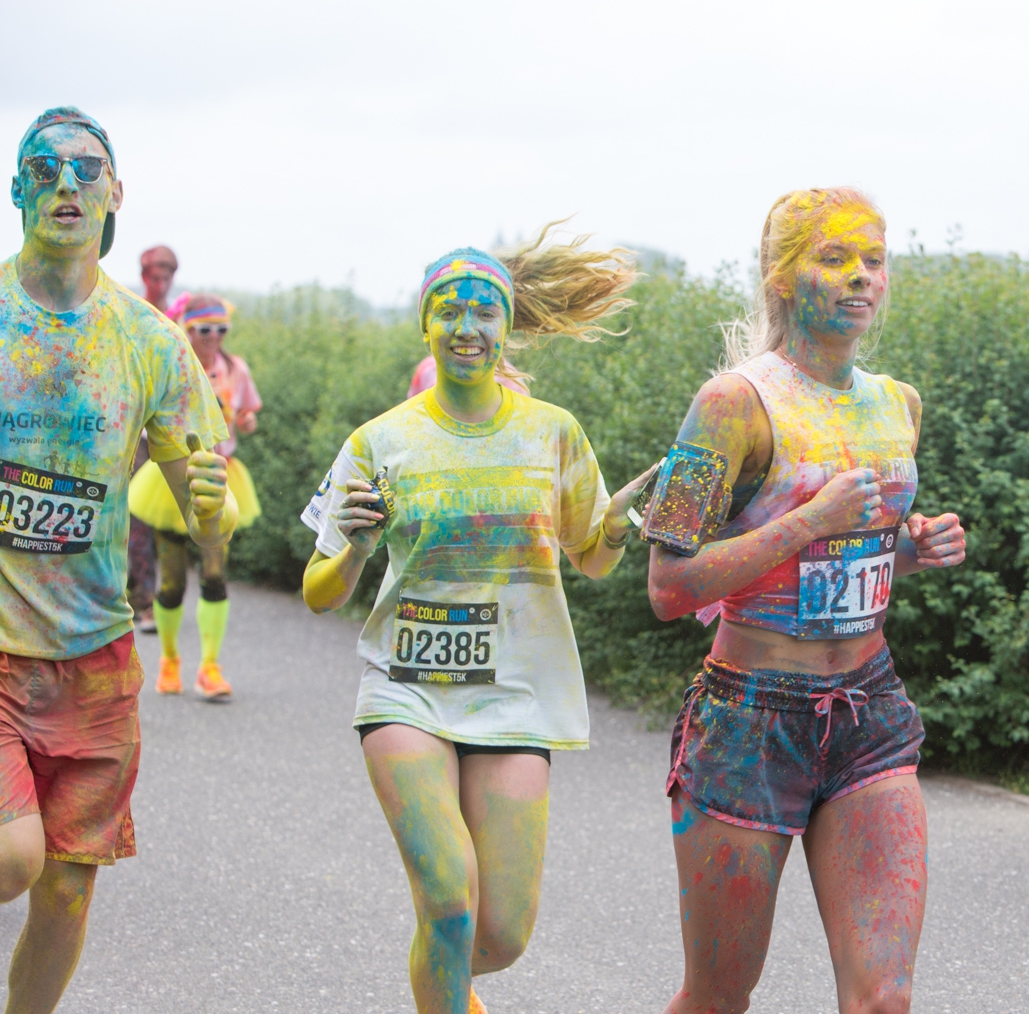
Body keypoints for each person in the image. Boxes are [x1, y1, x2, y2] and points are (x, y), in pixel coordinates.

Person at [300, 238, 653, 1014]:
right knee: (449, 901)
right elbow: (318, 592)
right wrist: (355, 549)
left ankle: (448, 986)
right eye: (449, 311)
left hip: (514, 695)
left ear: (507, 326)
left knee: (499, 934)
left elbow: (593, 559)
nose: (467, 326)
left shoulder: (552, 432)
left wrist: (616, 526)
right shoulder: (377, 441)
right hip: (406, 691)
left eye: (485, 311)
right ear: (424, 324)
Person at [647, 188, 967, 1014]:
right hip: (748, 720)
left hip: (870, 712)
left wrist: (913, 546)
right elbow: (669, 584)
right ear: (783, 278)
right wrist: (808, 520)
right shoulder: (730, 404)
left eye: (874, 260)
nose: (862, 276)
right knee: (718, 997)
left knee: (884, 998)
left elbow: (847, 558)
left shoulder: (898, 404)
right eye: (835, 258)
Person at [0, 108, 233, 1014]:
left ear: (115, 193)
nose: (66, 183)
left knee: (66, 890)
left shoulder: (149, 341)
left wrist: (210, 510)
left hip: (95, 659)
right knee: (13, 858)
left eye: (86, 169)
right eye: (44, 168)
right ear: (17, 190)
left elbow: (207, 514)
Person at [127, 293, 263, 699]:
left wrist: (246, 421)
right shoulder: (171, 364)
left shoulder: (236, 369)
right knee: (172, 583)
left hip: (221, 474)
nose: (214, 336)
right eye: (205, 329)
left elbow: (247, 413)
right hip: (172, 478)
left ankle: (210, 667)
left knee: (215, 574)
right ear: (187, 329)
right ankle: (169, 660)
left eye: (222, 329)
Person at [126, 245, 180, 634]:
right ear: (144, 276)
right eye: (153, 275)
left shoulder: (179, 321)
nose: (159, 282)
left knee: (169, 522)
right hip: (138, 437)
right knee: (138, 522)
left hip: (172, 435)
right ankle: (142, 601)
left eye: (166, 275)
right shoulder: (132, 316)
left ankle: (162, 596)